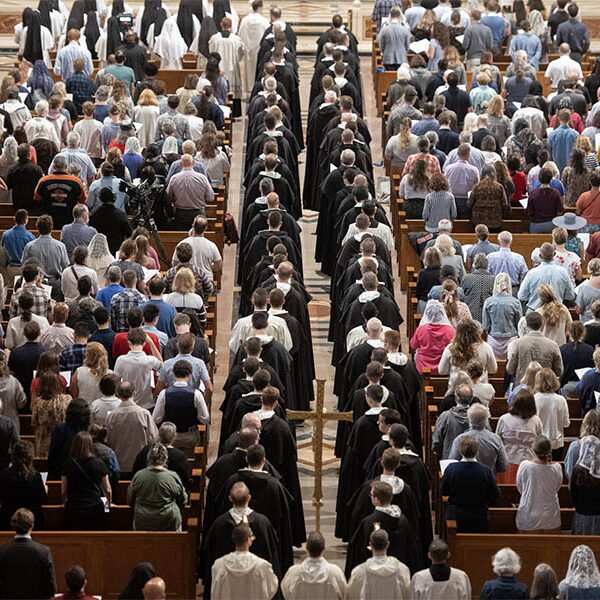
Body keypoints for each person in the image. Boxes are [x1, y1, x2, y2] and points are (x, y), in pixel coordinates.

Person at [441, 435, 500, 532]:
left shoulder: (451, 469)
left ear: (460, 451)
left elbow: (444, 491)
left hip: (456, 516)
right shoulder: (486, 471)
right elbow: (495, 494)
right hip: (479, 517)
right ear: (477, 451)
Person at [128, 441, 188, 531]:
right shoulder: (172, 476)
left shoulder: (138, 476)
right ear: (165, 458)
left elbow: (130, 499)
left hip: (143, 521)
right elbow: (183, 499)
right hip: (168, 521)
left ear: (148, 458)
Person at [211, 524, 279, 600]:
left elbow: (215, 593)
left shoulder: (219, 565)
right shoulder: (262, 566)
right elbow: (271, 589)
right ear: (248, 540)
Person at [0, 508, 56, 599]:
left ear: (12, 525)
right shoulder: (44, 552)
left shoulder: (2, 552)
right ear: (32, 525)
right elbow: (50, 588)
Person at [61, 431, 111, 530]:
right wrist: (108, 504)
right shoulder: (99, 463)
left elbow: (63, 490)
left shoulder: (68, 464)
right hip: (94, 507)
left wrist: (64, 503)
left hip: (74, 508)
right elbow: (108, 489)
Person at [106, 381, 159, 474]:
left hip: (119, 464)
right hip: (140, 464)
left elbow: (108, 440)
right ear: (134, 393)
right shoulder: (143, 413)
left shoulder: (112, 416)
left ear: (117, 395)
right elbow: (153, 438)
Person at [347, 529, 411, 600]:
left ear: (370, 545)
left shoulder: (358, 572)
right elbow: (408, 595)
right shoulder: (402, 570)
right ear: (387, 544)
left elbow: (350, 596)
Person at [281, 531, 347, 599]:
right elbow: (345, 595)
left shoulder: (293, 572)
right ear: (324, 549)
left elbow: (285, 593)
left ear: (306, 548)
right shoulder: (335, 573)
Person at [497, 389, 543, 484]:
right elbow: (539, 441)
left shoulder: (504, 419)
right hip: (528, 461)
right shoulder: (536, 421)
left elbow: (498, 440)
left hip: (508, 460)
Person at [0, 440, 47, 530]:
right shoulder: (35, 477)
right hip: (32, 521)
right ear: (30, 457)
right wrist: (45, 489)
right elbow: (43, 500)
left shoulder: (4, 475)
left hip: (8, 521)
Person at [438, 319, 497, 385]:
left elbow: (442, 371)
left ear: (457, 332)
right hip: (480, 389)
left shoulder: (451, 348)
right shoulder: (486, 347)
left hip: (457, 389)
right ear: (476, 332)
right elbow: (493, 370)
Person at [518, 244, 574, 312]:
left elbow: (521, 296)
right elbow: (570, 295)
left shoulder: (531, 273)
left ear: (540, 255)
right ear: (554, 254)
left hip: (535, 313)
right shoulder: (563, 272)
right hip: (557, 313)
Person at [31, 371, 72, 457]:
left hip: (43, 439)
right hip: (62, 437)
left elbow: (34, 422)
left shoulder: (38, 402)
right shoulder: (67, 400)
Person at [534, 368, 570, 460]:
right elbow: (566, 424)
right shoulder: (561, 400)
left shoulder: (533, 399)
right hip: (556, 442)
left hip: (538, 442)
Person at [410, 300, 455, 374]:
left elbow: (413, 345)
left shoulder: (421, 329)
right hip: (443, 367)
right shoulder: (450, 330)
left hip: (423, 366)